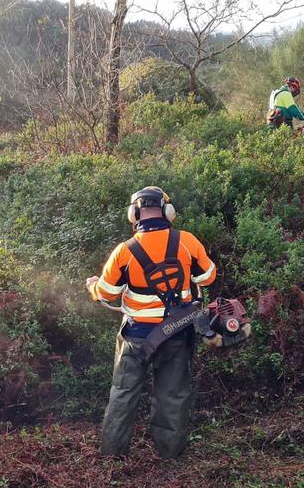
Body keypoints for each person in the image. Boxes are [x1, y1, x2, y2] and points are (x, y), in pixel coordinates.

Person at [85, 186, 218, 459]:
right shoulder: (187, 241)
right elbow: (208, 278)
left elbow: (107, 294)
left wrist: (94, 286)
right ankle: (169, 454)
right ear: (168, 212)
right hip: (177, 333)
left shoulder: (124, 251)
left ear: (133, 214)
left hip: (135, 336)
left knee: (123, 392)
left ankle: (113, 456)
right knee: (172, 394)